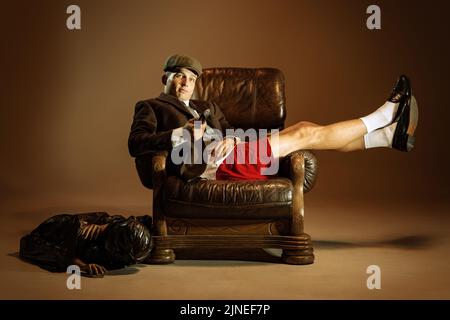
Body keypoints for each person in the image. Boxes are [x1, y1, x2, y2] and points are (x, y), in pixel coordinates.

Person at [128, 54, 418, 181]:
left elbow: (230, 130)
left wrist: (229, 138)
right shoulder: (151, 106)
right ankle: (387, 114)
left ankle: (387, 136)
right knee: (306, 135)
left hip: (235, 151)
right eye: (178, 75)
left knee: (305, 128)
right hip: (209, 165)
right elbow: (136, 144)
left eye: (191, 78)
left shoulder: (206, 106)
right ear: (165, 78)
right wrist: (182, 134)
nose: (185, 82)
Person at [19, 212, 153, 277]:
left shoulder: (130, 245)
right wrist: (80, 265)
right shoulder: (74, 228)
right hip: (64, 234)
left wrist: (105, 225)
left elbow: (141, 219)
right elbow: (28, 245)